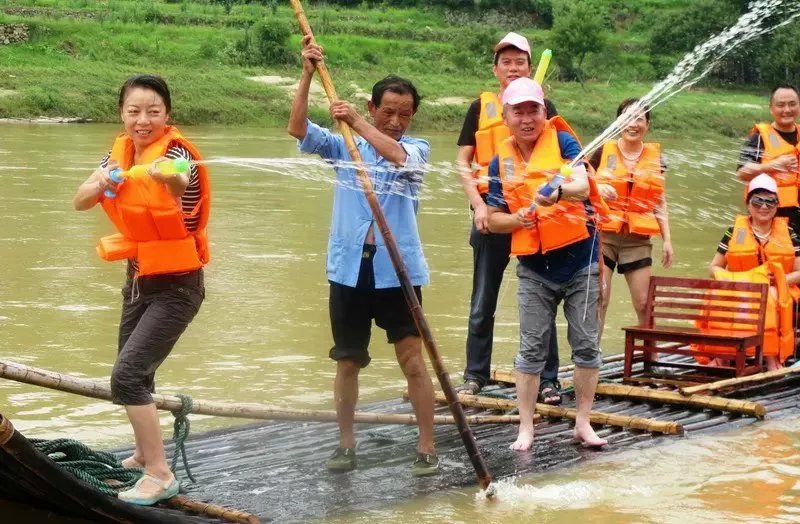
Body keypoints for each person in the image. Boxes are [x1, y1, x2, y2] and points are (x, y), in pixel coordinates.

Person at [287, 36, 437, 476]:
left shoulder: (418, 149)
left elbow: (397, 155)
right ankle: (346, 445)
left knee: (413, 360)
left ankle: (426, 446)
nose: (394, 121)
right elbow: (298, 129)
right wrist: (307, 75)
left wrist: (354, 121)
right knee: (348, 360)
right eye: (386, 112)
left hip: (399, 270)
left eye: (403, 114)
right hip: (350, 270)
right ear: (373, 107)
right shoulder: (344, 147)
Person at [73, 74, 209, 505]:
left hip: (178, 287)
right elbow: (80, 200)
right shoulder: (118, 152)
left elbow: (184, 192)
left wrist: (167, 177)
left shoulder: (177, 154)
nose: (143, 120)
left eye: (153, 111)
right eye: (134, 111)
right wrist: (100, 182)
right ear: (122, 114)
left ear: (167, 114)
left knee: (127, 376)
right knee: (136, 375)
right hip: (138, 280)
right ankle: (141, 453)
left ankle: (159, 472)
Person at [485, 77, 608, 451]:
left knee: (586, 345)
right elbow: (492, 219)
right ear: (506, 117)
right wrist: (516, 220)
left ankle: (583, 423)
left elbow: (585, 186)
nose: (527, 118)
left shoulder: (565, 143)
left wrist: (559, 192)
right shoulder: (498, 161)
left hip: (580, 258)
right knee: (531, 348)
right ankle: (526, 428)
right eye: (518, 111)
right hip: (534, 268)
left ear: (544, 113)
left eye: (533, 110)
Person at [456, 31, 563, 405]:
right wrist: (480, 206)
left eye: (520, 61)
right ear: (496, 68)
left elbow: (564, 158)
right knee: (483, 298)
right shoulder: (479, 108)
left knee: (542, 297)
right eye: (507, 62)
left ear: (530, 67)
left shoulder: (541, 106)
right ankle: (474, 375)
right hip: (494, 215)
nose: (514, 67)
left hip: (536, 218)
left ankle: (549, 379)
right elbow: (462, 163)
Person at [591, 98, 673, 343]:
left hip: (637, 240)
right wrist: (598, 187)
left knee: (643, 301)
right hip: (603, 236)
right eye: (627, 117)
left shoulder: (656, 158)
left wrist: (668, 240)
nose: (633, 124)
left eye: (639, 118)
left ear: (647, 124)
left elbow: (659, 200)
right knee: (600, 298)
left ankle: (651, 355)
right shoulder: (601, 151)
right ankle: (590, 357)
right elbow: (583, 184)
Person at [708, 174, 800, 370]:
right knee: (719, 294)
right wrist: (732, 280)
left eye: (770, 202)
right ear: (748, 204)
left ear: (777, 206)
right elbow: (714, 267)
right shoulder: (734, 232)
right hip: (741, 288)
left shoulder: (789, 232)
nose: (764, 207)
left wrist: (778, 280)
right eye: (757, 201)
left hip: (779, 290)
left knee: (770, 296)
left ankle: (771, 358)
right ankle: (723, 356)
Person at [736, 84, 800, 233]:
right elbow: (742, 173)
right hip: (771, 216)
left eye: (792, 104)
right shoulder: (758, 138)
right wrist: (773, 166)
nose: (787, 110)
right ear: (771, 108)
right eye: (781, 105)